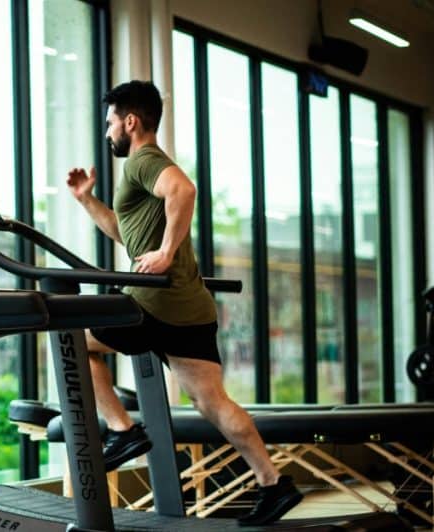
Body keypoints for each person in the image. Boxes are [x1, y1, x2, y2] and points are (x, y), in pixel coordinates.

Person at [66, 80, 302, 526]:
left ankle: (123, 431)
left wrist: (167, 253)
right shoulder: (143, 170)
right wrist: (87, 200)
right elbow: (126, 233)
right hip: (190, 307)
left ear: (130, 121)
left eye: (110, 123)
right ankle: (273, 483)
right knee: (213, 403)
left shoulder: (144, 161)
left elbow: (185, 191)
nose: (108, 132)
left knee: (73, 340)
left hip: (153, 302)